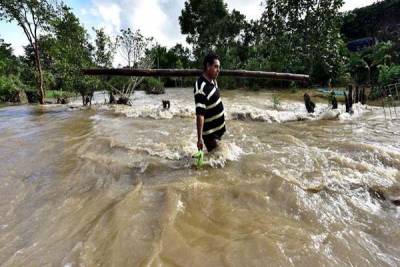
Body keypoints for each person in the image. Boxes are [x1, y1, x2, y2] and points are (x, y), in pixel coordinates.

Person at [194, 52, 226, 152]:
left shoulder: (213, 80)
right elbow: (200, 115)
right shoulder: (201, 87)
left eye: (219, 67)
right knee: (218, 162)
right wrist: (199, 139)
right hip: (210, 135)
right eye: (216, 67)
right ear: (208, 66)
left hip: (217, 132)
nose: (218, 70)